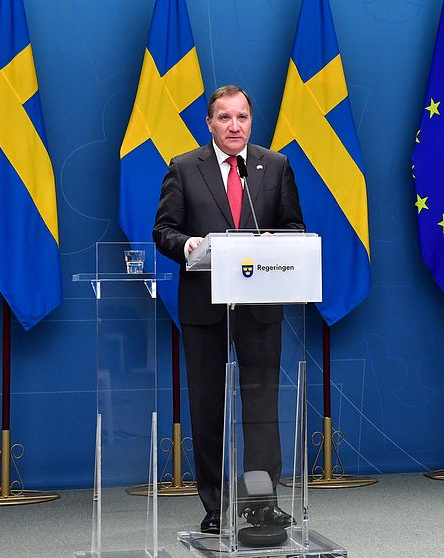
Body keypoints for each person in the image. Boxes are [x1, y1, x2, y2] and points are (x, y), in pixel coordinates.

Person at [153, 85, 304, 534]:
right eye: (224, 118)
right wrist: (188, 245)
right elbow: (163, 230)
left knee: (261, 406)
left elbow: (294, 224)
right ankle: (217, 504)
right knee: (208, 407)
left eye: (242, 117)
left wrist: (283, 239)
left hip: (259, 306)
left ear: (251, 121)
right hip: (205, 306)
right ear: (210, 123)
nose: (234, 126)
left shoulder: (274, 166)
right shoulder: (183, 168)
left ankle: (261, 503)